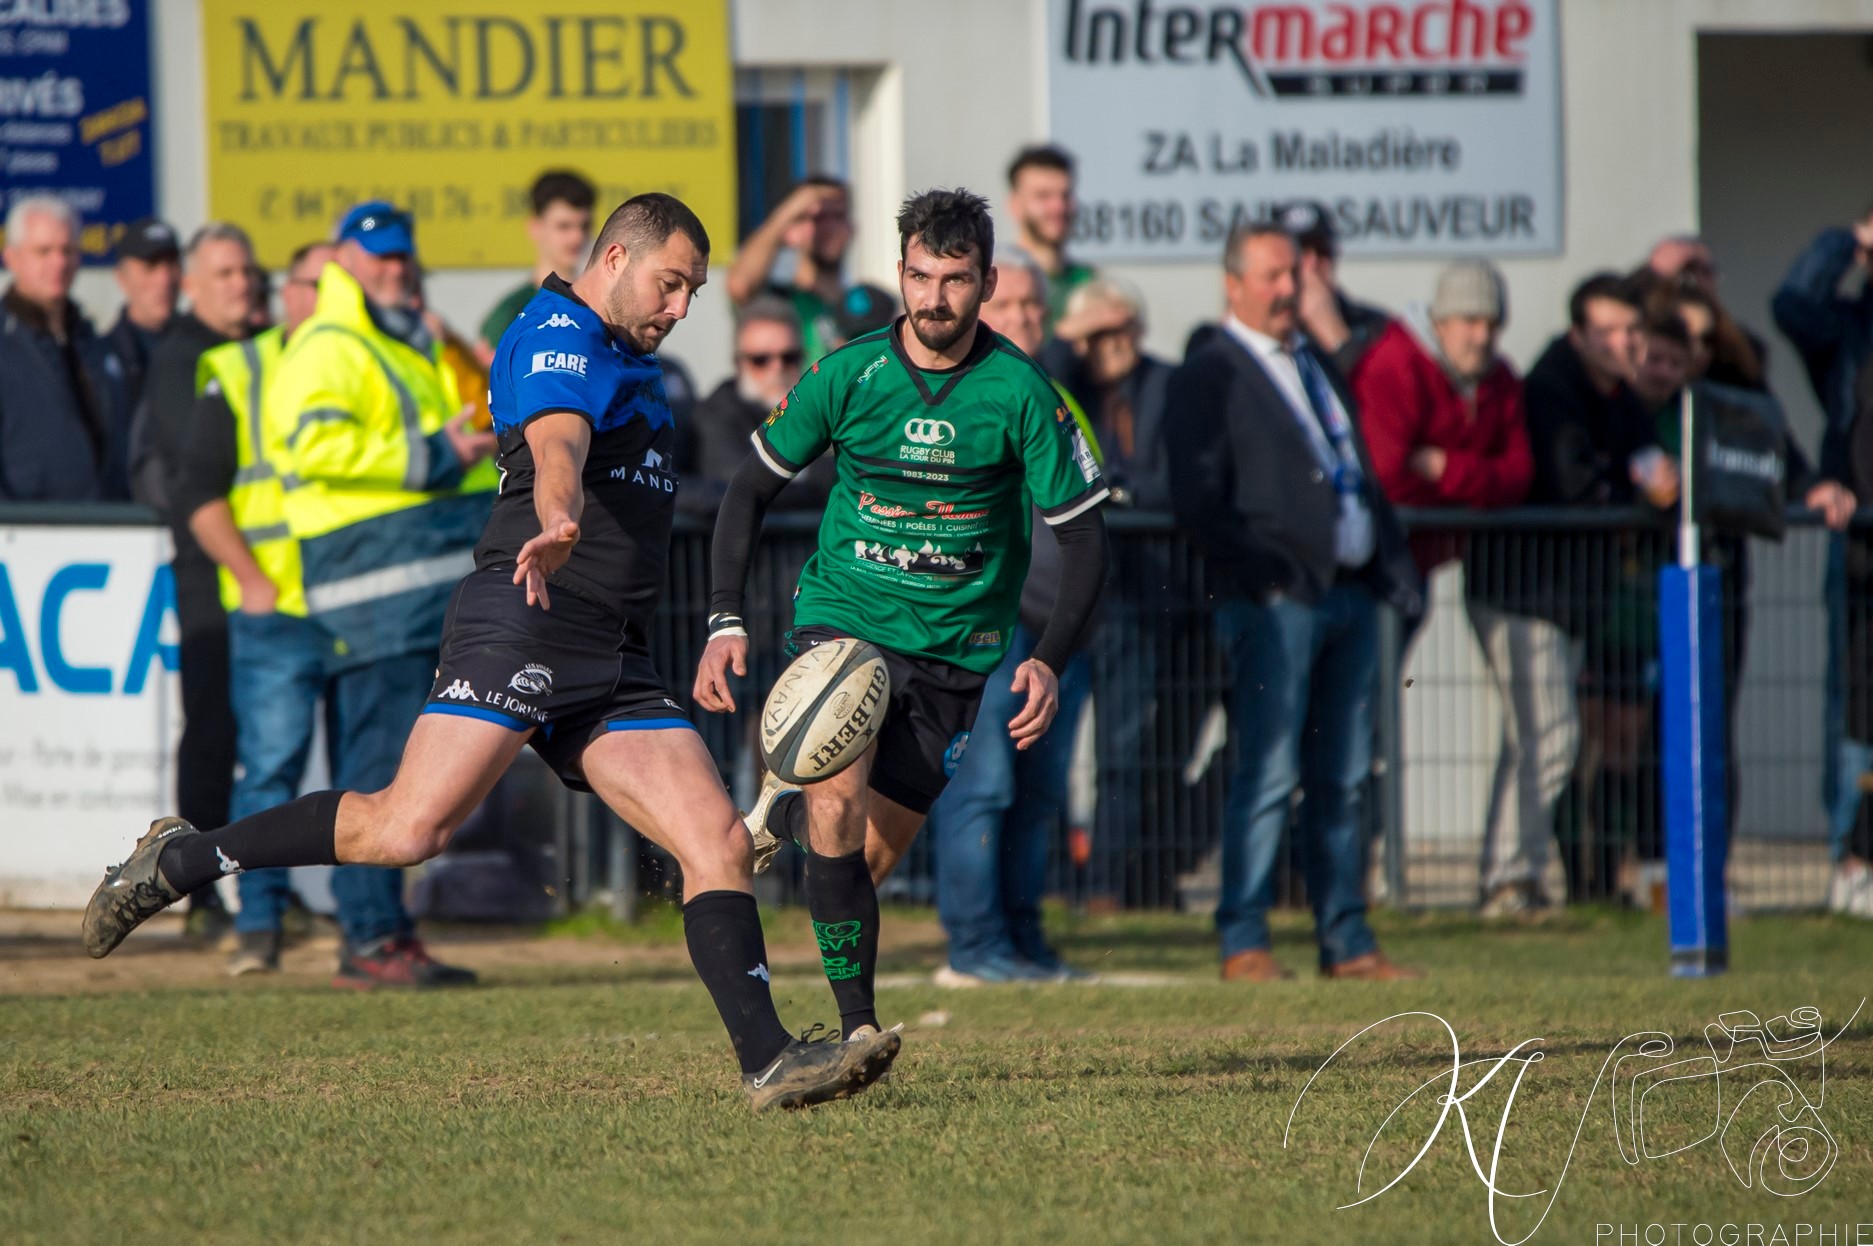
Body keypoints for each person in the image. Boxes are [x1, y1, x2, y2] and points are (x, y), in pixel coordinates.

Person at [84, 194, 901, 1111]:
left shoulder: (629, 352)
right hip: (527, 614)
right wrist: (559, 511)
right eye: (670, 284)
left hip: (610, 651)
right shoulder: (560, 332)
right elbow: (559, 435)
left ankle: (768, 1064)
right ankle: (182, 861)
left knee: (714, 843)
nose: (680, 309)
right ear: (616, 258)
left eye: (694, 293)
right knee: (406, 830)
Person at [696, 189, 1111, 1036]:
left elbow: (1086, 540)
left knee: (860, 863)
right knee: (837, 809)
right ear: (899, 274)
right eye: (919, 277)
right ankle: (857, 1030)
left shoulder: (1022, 394)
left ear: (987, 282)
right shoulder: (849, 374)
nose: (934, 298)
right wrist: (723, 617)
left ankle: (784, 797)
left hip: (956, 654)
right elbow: (748, 489)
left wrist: (1050, 658)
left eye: (955, 280)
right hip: (845, 619)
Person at [247, 201, 502, 986]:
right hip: (372, 593)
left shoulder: (394, 339)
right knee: (379, 770)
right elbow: (311, 443)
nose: (395, 267)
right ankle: (369, 937)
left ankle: (383, 930)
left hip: (408, 594)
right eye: (379, 257)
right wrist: (436, 453)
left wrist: (459, 454)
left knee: (402, 768)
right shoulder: (330, 343)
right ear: (345, 265)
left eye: (402, 255)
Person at [1162, 222, 1423, 983]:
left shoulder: (1311, 362)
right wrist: (1260, 572)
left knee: (1342, 774)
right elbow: (1197, 497)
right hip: (1277, 603)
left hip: (1345, 593)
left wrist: (1381, 562)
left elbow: (1353, 467)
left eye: (1296, 276)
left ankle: (1346, 939)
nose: (1288, 290)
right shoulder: (1209, 370)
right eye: (1273, 275)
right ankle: (1243, 938)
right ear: (1232, 284)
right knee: (1269, 770)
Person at [918, 245, 1099, 983]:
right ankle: (976, 946)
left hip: (1059, 634)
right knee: (982, 785)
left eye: (1035, 306)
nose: (1026, 317)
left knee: (1039, 791)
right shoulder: (962, 392)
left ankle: (1024, 940)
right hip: (988, 630)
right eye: (1011, 304)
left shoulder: (1052, 391)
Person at [1352, 261, 1554, 917]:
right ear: (1438, 321)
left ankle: (1377, 874)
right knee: (1363, 724)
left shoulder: (1499, 381)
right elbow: (1386, 476)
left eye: (1491, 321)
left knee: (1375, 722)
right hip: (1374, 570)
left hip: (1422, 566)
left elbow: (1518, 475)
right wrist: (1473, 481)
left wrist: (1442, 466)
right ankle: (1358, 872)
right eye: (1468, 320)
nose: (1481, 334)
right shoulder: (1394, 367)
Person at [174, 241, 341, 974]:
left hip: (353, 609)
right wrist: (252, 578)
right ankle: (260, 929)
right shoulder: (241, 370)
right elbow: (200, 498)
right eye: (320, 282)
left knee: (367, 781)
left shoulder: (363, 360)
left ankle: (368, 937)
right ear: (292, 293)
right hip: (277, 612)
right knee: (269, 774)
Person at [136, 223, 266, 942]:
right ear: (191, 285)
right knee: (213, 727)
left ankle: (256, 888)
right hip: (210, 569)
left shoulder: (256, 346)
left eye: (246, 272)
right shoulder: (183, 356)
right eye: (223, 274)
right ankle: (199, 890)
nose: (240, 285)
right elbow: (200, 479)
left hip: (265, 566)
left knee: (262, 734)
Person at [1041, 275, 1176, 908]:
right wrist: (1073, 332)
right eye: (1098, 334)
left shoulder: (1166, 385)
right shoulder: (1064, 387)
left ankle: (1107, 884)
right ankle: (1058, 882)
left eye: (1121, 328)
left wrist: (1112, 492)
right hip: (1071, 597)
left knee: (1122, 752)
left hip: (1138, 596)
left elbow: (1168, 478)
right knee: (1053, 747)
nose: (1111, 343)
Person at [1772, 211, 1873, 912]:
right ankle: (1853, 858)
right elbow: (1791, 304)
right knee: (1857, 699)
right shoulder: (1845, 328)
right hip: (1861, 538)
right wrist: (1845, 239)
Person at [0, 196, 131, 501]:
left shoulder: (95, 346)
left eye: (68, 250)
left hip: (105, 530)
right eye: (43, 251)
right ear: (12, 257)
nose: (58, 263)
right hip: (23, 534)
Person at [676, 295, 834, 516]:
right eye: (760, 360)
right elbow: (743, 487)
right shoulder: (715, 415)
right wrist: (816, 480)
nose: (777, 369)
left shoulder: (822, 411)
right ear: (738, 363)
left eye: (789, 357)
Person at [725, 175, 896, 364]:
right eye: (818, 218)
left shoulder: (870, 306)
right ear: (790, 231)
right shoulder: (776, 300)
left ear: (851, 228)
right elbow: (740, 285)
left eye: (838, 216)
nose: (829, 227)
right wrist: (791, 209)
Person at [476, 170, 597, 365]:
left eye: (584, 225)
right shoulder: (511, 313)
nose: (577, 237)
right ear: (535, 227)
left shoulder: (599, 304)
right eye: (564, 226)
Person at [1282, 201, 1391, 377]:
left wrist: (1336, 336)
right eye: (1299, 253)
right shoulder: (1268, 327)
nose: (1312, 264)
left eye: (1322, 251)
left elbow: (1382, 392)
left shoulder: (1375, 326)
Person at [1004, 145, 1095, 324]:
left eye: (1065, 195)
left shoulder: (1089, 282)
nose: (1058, 207)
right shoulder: (997, 284)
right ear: (1014, 205)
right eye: (1043, 196)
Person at [101, 217, 181, 412]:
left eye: (171, 265)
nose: (165, 280)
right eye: (150, 267)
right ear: (121, 277)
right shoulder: (98, 358)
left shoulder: (203, 347)